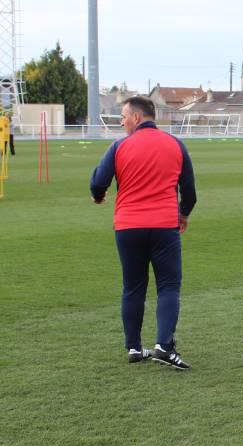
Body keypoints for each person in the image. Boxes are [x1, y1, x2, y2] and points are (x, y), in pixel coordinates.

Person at [90, 96, 196, 369]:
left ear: (137, 118)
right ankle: (163, 345)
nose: (123, 121)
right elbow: (190, 191)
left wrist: (99, 194)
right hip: (164, 226)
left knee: (133, 287)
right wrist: (183, 214)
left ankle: (135, 348)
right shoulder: (176, 144)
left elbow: (99, 181)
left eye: (124, 116)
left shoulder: (119, 146)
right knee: (169, 287)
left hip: (128, 226)